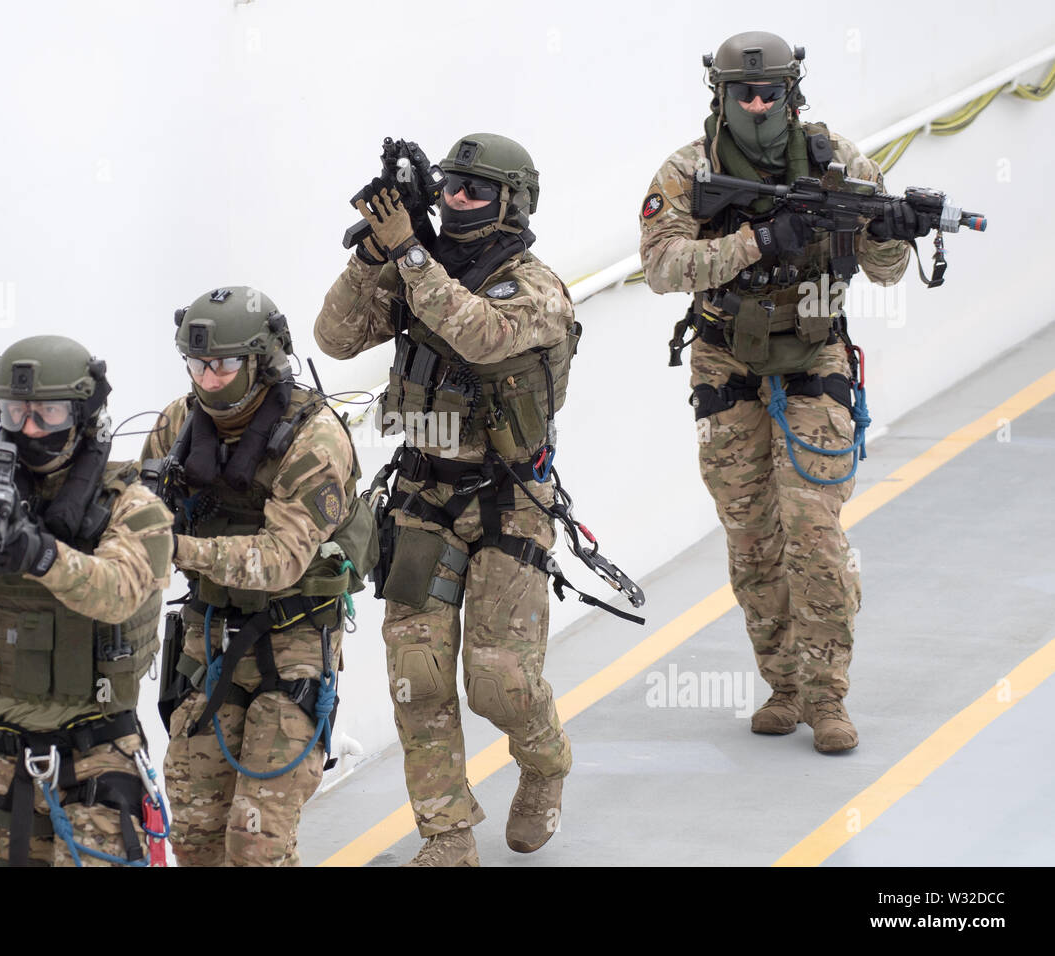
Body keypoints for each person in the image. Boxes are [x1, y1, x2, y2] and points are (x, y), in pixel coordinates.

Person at [639, 32, 924, 752]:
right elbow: (664, 266)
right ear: (723, 96)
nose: (759, 105)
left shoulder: (841, 164)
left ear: (794, 95)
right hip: (724, 362)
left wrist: (890, 233)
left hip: (814, 354)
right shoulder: (686, 170)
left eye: (770, 94)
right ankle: (783, 687)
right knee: (751, 536)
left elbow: (886, 272)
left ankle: (829, 700)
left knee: (814, 532)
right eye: (746, 94)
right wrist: (761, 242)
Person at [315, 133, 580, 866]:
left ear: (513, 203)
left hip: (509, 500)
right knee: (417, 675)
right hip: (422, 495)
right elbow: (334, 338)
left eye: (476, 191)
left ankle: (546, 761)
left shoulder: (535, 286)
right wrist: (371, 255)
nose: (457, 201)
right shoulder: (415, 270)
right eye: (450, 187)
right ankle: (447, 833)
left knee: (498, 680)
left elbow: (483, 335)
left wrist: (409, 254)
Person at [0, 334, 174, 866]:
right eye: (17, 411)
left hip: (97, 758)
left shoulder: (131, 500)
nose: (30, 428)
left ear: (81, 415)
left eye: (48, 412)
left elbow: (119, 593)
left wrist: (40, 555)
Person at [145, 286, 368, 867]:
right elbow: (138, 506)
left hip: (293, 643)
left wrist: (175, 548)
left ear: (262, 361)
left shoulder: (313, 438)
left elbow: (279, 560)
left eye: (221, 365)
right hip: (211, 639)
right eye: (195, 364)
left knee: (255, 840)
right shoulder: (179, 423)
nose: (207, 378)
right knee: (195, 837)